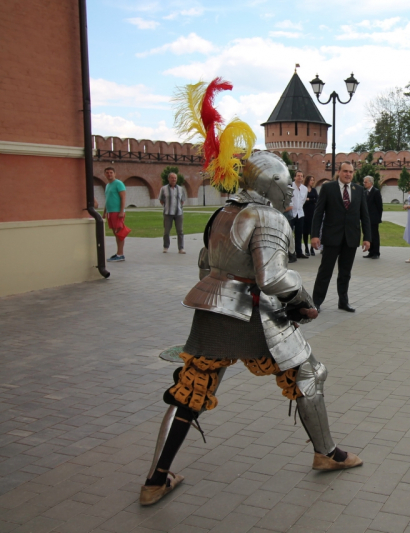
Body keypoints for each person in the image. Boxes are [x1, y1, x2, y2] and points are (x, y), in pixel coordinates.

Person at [141, 88, 363, 506]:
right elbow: (273, 277)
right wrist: (302, 300)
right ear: (272, 185)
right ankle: (327, 453)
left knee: (191, 390)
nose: (289, 191)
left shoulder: (222, 212)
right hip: (257, 315)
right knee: (309, 374)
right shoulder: (267, 216)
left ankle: (155, 478)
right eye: (285, 184)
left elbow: (206, 264)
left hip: (213, 309)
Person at [311, 162, 371, 313]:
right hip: (332, 237)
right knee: (325, 271)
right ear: (339, 172)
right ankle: (316, 302)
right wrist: (315, 235)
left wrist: (367, 237)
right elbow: (318, 213)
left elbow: (365, 215)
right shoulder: (328, 188)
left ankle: (343, 302)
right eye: (345, 171)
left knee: (345, 273)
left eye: (350, 172)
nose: (348, 174)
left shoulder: (359, 190)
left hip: (351, 238)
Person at [103, 167, 128, 262]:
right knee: (115, 233)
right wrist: (104, 213)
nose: (109, 174)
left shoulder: (119, 183)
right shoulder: (107, 185)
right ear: (105, 174)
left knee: (119, 233)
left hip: (117, 212)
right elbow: (107, 199)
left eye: (111, 172)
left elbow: (123, 198)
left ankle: (120, 254)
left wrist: (121, 211)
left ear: (114, 173)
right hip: (110, 212)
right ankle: (118, 253)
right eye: (107, 173)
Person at [159, 172, 186, 254]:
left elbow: (182, 200)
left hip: (178, 213)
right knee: (166, 231)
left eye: (175, 178)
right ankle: (166, 247)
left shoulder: (180, 189)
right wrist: (167, 206)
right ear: (169, 179)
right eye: (172, 178)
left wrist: (178, 207)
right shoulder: (164, 189)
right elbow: (161, 200)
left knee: (180, 231)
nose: (173, 179)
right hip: (168, 213)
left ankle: (181, 248)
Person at [363, 176, 383, 259]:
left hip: (374, 218)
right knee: (368, 235)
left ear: (371, 183)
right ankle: (370, 252)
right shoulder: (364, 192)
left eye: (365, 182)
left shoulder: (376, 192)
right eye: (364, 182)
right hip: (366, 218)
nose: (364, 184)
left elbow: (379, 206)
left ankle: (376, 252)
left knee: (374, 236)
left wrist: (378, 218)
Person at [290, 170, 308, 259]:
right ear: (294, 177)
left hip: (300, 213)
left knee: (299, 234)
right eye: (298, 175)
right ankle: (289, 252)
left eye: (301, 176)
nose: (299, 177)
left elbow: (303, 200)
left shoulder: (304, 189)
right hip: (291, 213)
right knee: (289, 234)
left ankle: (299, 252)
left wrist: (299, 207)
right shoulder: (290, 187)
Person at [302, 175, 318, 256]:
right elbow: (302, 199)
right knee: (305, 231)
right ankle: (306, 248)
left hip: (312, 212)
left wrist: (309, 199)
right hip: (305, 212)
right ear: (307, 180)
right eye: (311, 180)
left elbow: (317, 199)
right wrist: (311, 200)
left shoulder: (314, 190)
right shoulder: (303, 189)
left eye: (313, 180)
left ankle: (312, 248)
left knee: (312, 231)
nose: (312, 181)